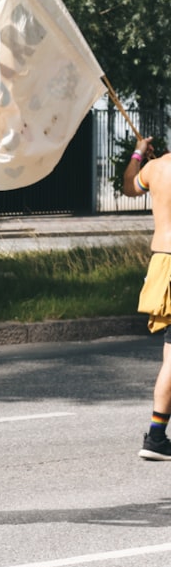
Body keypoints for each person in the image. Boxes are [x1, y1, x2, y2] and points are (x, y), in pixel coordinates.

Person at [122, 135, 171, 461]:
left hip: (162, 263)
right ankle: (155, 437)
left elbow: (128, 186)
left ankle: (156, 436)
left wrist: (140, 154)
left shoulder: (156, 168)